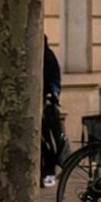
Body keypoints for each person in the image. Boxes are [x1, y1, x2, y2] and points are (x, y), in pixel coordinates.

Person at [41, 39, 64, 186]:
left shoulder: (48, 57)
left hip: (46, 106)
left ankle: (48, 174)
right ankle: (45, 174)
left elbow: (54, 79)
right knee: (44, 143)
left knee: (48, 143)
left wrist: (53, 94)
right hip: (36, 105)